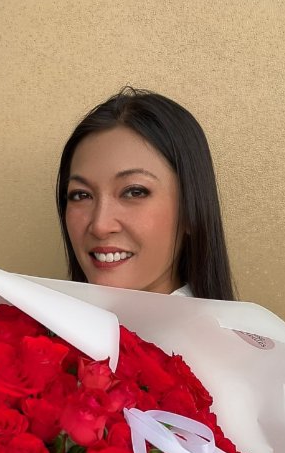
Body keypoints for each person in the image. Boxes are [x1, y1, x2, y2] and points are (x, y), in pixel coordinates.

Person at [56, 87, 235, 301]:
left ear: (190, 209)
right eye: (81, 195)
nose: (100, 226)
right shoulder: (44, 327)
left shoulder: (222, 335)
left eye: (134, 192)